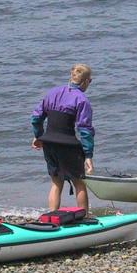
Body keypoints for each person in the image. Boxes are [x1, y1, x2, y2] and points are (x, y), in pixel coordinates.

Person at [31, 63, 95, 213]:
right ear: (86, 81)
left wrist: (39, 136)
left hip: (49, 144)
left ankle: (53, 217)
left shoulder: (53, 93)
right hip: (68, 145)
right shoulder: (82, 100)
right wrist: (88, 155)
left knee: (56, 183)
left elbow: (36, 117)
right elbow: (85, 130)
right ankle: (84, 217)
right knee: (79, 182)